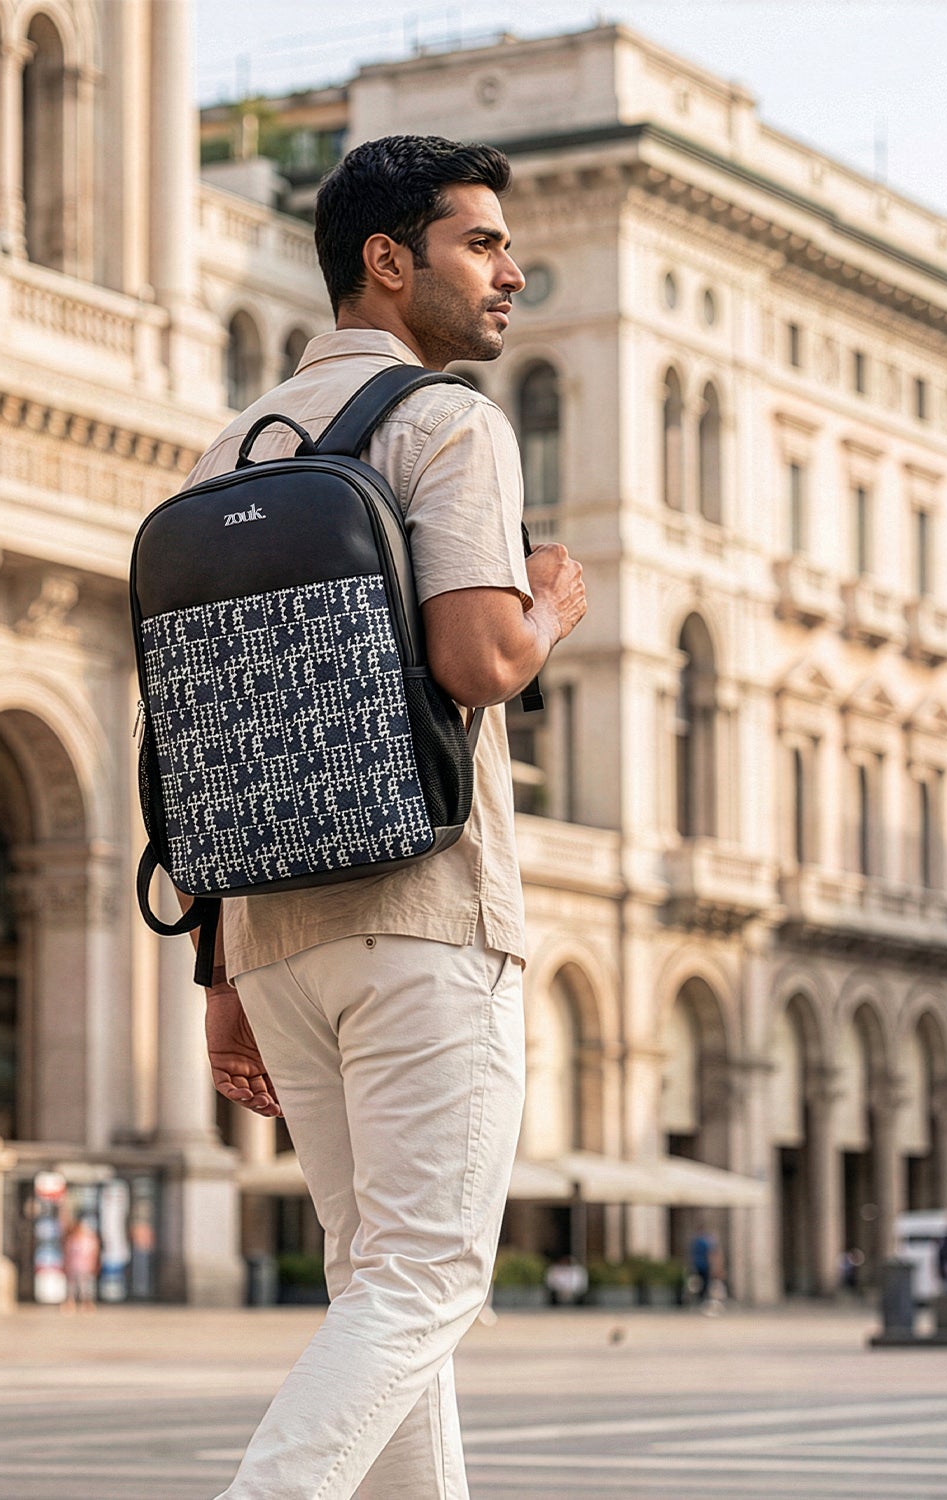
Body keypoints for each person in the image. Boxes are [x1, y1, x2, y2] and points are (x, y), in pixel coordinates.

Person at [181, 134, 587, 1500]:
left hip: (280, 937)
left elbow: (200, 738)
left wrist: (224, 970)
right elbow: (478, 661)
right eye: (482, 243)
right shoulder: (448, 424)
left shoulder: (224, 452)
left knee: (384, 1291)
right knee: (424, 1284)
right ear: (387, 259)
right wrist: (552, 613)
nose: (511, 272)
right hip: (424, 913)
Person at [62, 1216, 100, 1312]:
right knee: (72, 1286)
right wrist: (67, 1264)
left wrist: (94, 1264)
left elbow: (94, 1253)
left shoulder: (89, 1239)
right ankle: (70, 1303)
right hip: (74, 1266)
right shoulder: (72, 1239)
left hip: (85, 1266)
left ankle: (87, 1304)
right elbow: (68, 1253)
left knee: (86, 1286)